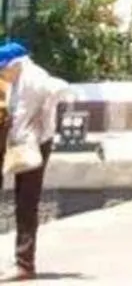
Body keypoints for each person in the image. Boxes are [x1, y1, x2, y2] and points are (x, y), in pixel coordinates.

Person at [0, 41, 65, 281]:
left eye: (3, 68)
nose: (2, 74)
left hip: (33, 145)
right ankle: (23, 263)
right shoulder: (17, 80)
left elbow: (57, 89)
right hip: (19, 143)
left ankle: (25, 265)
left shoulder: (34, 79)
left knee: (26, 203)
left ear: (15, 64)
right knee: (22, 202)